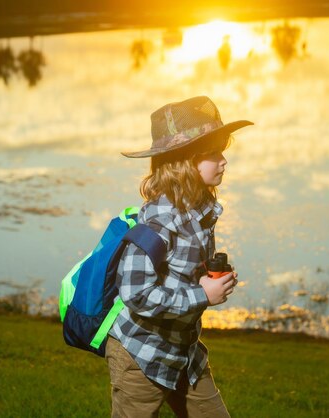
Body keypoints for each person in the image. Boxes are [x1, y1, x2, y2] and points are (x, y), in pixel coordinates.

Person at [105, 96, 253, 418]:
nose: (224, 160)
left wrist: (206, 278)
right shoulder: (159, 220)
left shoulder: (200, 210)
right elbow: (135, 293)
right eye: (213, 152)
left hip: (183, 353)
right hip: (141, 355)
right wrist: (202, 294)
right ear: (185, 161)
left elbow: (178, 272)